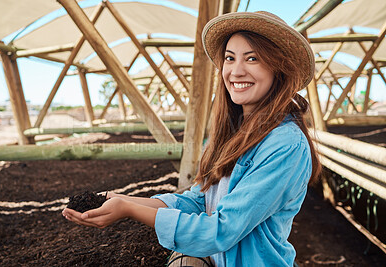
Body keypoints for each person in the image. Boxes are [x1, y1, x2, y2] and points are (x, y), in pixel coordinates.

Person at [63, 11, 321, 266]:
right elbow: (198, 200)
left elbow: (222, 230)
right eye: (229, 58)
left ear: (279, 68)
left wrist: (129, 210)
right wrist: (118, 199)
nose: (236, 70)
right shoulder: (231, 132)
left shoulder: (285, 144)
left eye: (252, 58)